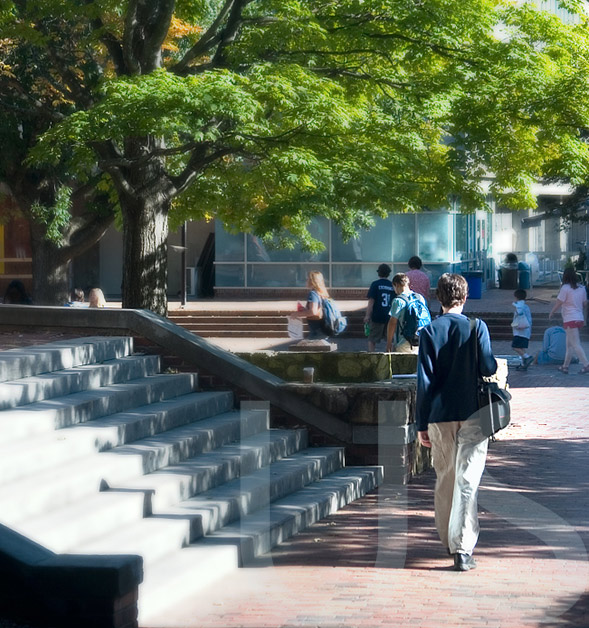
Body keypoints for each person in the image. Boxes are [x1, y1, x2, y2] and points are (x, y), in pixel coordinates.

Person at [416, 273, 497, 571]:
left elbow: (423, 383)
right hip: (474, 414)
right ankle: (463, 548)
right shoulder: (477, 328)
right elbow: (488, 366)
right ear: (464, 297)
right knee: (468, 479)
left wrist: (420, 424)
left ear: (439, 297)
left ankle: (449, 541)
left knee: (446, 478)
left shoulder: (429, 332)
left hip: (439, 415)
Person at [549, 267, 589, 374]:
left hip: (569, 318)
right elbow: (585, 304)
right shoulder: (581, 288)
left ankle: (586, 364)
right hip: (578, 317)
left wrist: (552, 312)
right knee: (570, 344)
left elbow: (559, 302)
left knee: (575, 344)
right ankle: (565, 366)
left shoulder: (565, 288)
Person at [385, 273, 427, 354]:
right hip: (421, 340)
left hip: (404, 341)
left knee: (403, 366)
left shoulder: (398, 300)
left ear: (396, 285)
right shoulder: (420, 298)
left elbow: (392, 323)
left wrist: (389, 343)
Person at [289, 271, 329, 340]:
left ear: (312, 281)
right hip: (323, 328)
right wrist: (305, 310)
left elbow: (313, 312)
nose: (306, 281)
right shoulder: (321, 292)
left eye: (308, 279)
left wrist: (296, 314)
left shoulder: (313, 293)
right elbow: (318, 309)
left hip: (316, 330)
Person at [364, 263, 394, 351]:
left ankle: (372, 356)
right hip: (389, 316)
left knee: (372, 339)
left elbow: (371, 302)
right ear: (388, 274)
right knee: (389, 340)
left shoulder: (375, 284)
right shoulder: (392, 285)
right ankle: (389, 356)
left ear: (378, 273)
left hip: (377, 315)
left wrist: (367, 315)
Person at [511, 289, 533, 371]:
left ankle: (527, 357)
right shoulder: (526, 306)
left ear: (516, 297)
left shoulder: (519, 306)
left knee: (515, 347)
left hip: (520, 331)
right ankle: (523, 364)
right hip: (526, 331)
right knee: (521, 347)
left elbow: (520, 313)